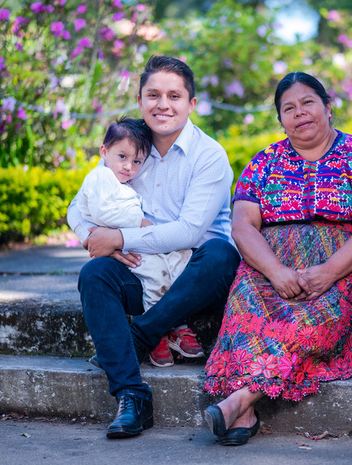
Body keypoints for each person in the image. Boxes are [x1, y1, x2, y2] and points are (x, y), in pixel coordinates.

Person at [202, 72, 352, 446]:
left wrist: (328, 272)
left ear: (327, 106)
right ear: (280, 119)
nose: (300, 113)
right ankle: (242, 409)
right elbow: (243, 226)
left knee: (309, 321)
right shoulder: (264, 162)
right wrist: (275, 271)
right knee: (248, 306)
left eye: (308, 102)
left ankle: (239, 402)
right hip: (268, 266)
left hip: (343, 267)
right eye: (288, 108)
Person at [67, 56, 241, 439]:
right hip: (141, 272)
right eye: (154, 95)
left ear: (191, 104)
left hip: (195, 277)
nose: (163, 104)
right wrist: (95, 240)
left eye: (174, 95)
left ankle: (138, 337)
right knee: (94, 274)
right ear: (141, 99)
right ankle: (132, 396)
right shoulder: (127, 149)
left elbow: (192, 231)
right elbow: (79, 204)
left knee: (222, 254)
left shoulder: (209, 155)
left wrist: (122, 237)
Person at [75, 116, 196, 368]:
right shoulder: (100, 177)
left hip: (134, 240)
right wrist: (139, 222)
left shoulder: (119, 180)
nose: (129, 166)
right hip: (129, 245)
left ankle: (176, 326)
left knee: (180, 258)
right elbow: (102, 213)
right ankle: (159, 333)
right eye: (122, 157)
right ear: (103, 151)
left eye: (137, 161)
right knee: (155, 276)